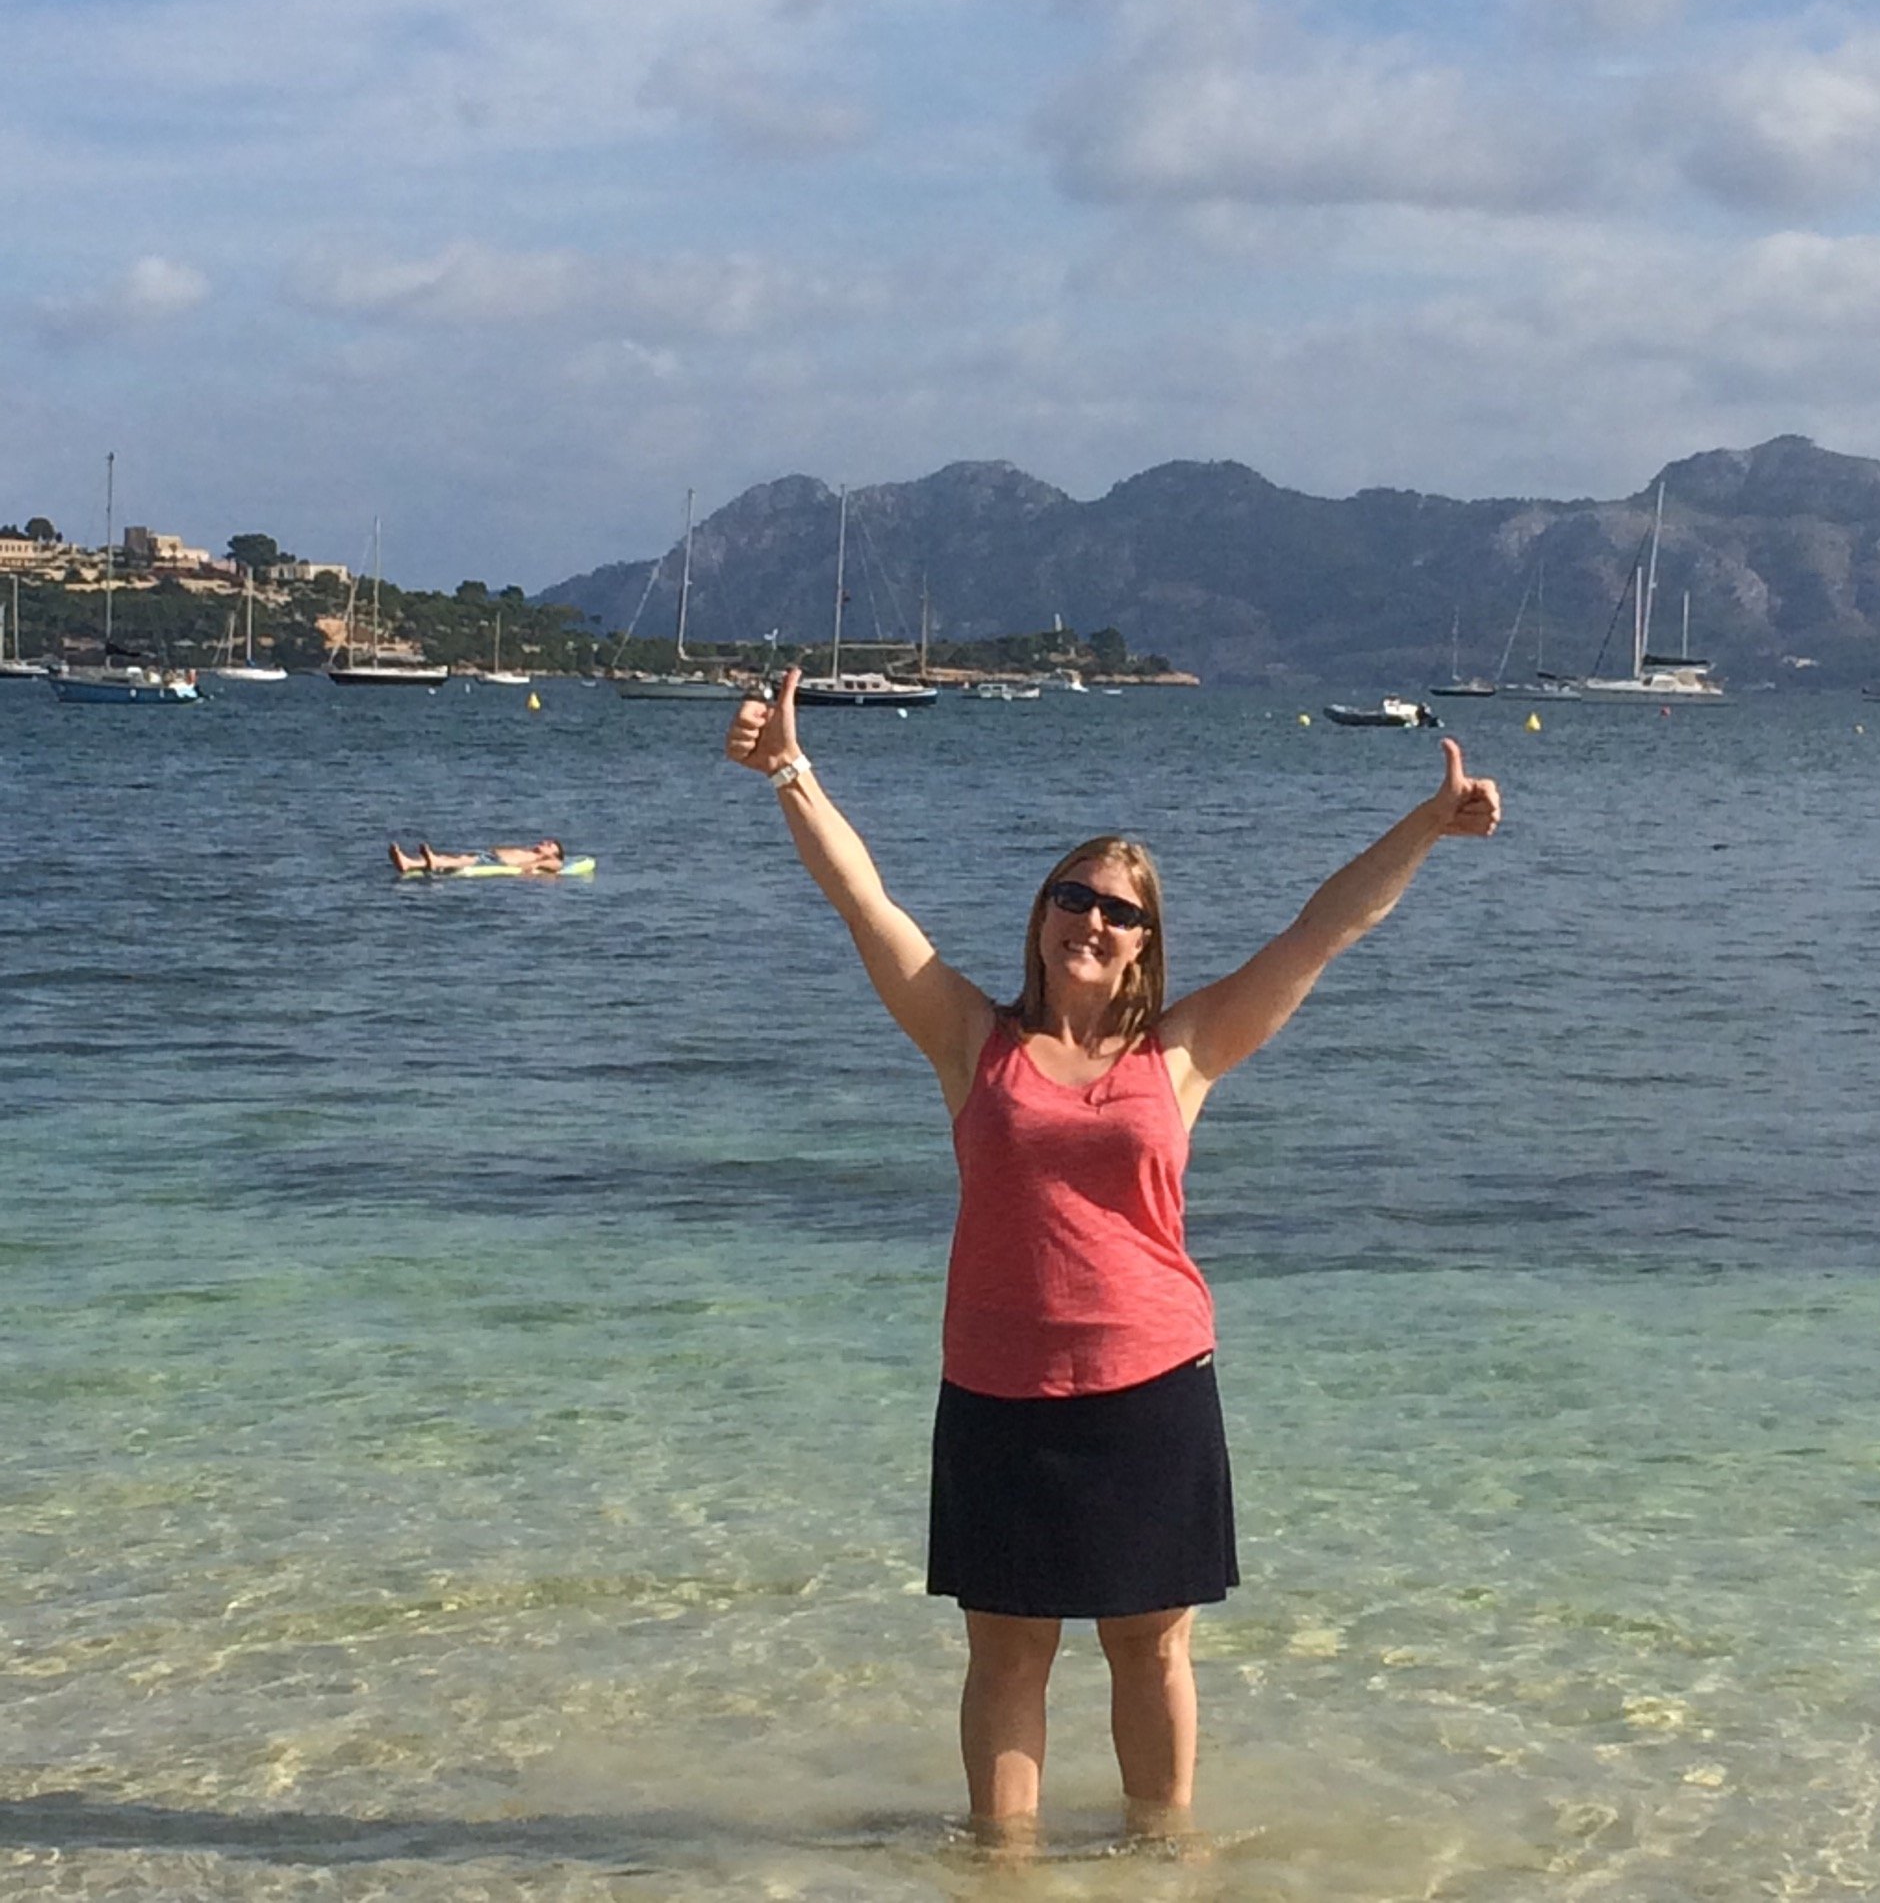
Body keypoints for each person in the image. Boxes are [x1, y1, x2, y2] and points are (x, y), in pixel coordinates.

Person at [724, 669, 1500, 1839]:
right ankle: (1005, 1869)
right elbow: (863, 901)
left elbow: (1318, 931)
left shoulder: (1182, 1053)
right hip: (996, 1389)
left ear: (1143, 946)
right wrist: (789, 769)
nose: (1094, 918)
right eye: (1073, 896)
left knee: (1151, 1644)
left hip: (1150, 1386)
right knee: (1007, 1654)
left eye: (1121, 910)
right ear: (1040, 916)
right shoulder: (968, 1037)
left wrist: (1426, 825)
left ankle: (1161, 1858)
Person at [387, 839, 566, 875]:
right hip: (486, 855)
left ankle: (430, 861)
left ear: (554, 853)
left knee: (458, 861)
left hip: (494, 862)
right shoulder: (529, 851)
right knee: (450, 859)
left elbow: (557, 866)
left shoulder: (548, 860)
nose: (544, 843)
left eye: (549, 845)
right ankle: (408, 863)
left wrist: (533, 868)